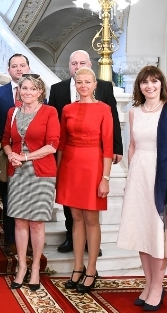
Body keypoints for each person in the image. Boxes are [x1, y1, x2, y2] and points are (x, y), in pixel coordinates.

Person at [116, 66, 167, 310]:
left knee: (158, 234)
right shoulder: (134, 111)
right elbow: (131, 147)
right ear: (139, 86)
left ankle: (158, 288)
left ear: (162, 84)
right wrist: (130, 178)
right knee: (143, 232)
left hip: (163, 177)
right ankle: (148, 284)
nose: (149, 86)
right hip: (139, 175)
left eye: (154, 81)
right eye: (144, 82)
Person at [48, 50, 122, 255]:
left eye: (82, 63)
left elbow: (113, 121)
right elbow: (59, 135)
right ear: (70, 67)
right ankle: (72, 241)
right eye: (74, 63)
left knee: (91, 216)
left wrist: (117, 148)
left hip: (93, 161)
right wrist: (57, 168)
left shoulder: (105, 96)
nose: (83, 85)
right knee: (74, 212)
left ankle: (91, 257)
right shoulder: (59, 92)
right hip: (71, 161)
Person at [56, 67, 113, 294]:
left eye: (87, 82)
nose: (83, 86)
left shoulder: (104, 109)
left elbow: (108, 146)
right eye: (79, 82)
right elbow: (61, 142)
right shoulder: (67, 109)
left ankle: (91, 269)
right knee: (75, 218)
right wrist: (58, 172)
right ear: (75, 84)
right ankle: (77, 267)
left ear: (94, 84)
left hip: (93, 166)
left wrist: (105, 178)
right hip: (70, 165)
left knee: (91, 219)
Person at [1, 75, 59, 291]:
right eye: (24, 88)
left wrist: (24, 157)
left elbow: (52, 145)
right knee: (19, 222)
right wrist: (11, 155)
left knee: (36, 222)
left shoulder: (49, 112)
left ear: (40, 92)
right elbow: (6, 139)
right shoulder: (13, 111)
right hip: (17, 172)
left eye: (32, 89)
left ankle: (35, 268)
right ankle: (22, 266)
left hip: (41, 173)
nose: (27, 92)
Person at [0, 53, 31, 255]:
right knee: (8, 198)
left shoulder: (38, 92)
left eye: (22, 65)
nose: (19, 69)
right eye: (15, 66)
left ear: (28, 68)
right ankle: (11, 239)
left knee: (28, 199)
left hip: (31, 155)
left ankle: (28, 241)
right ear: (8, 70)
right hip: (6, 154)